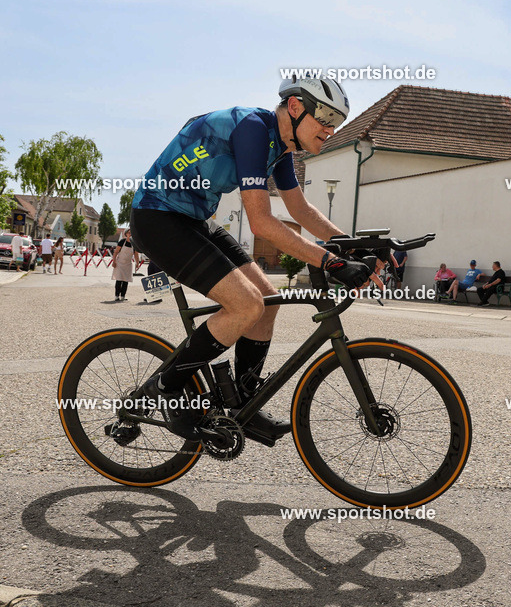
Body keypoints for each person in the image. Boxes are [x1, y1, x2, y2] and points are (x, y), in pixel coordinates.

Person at [119, 75, 375, 445]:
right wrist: (331, 262)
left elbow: (300, 208)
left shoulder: (282, 146)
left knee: (266, 301)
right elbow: (261, 222)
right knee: (245, 304)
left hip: (193, 221)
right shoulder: (253, 129)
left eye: (337, 122)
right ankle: (166, 388)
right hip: (156, 217)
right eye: (325, 117)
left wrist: (350, 246)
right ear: (296, 106)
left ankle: (243, 403)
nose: (330, 129)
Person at [111, 229, 139, 301]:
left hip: (128, 264)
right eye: (128, 233)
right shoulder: (122, 242)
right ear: (126, 234)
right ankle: (117, 296)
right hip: (119, 263)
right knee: (119, 280)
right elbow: (116, 252)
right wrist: (114, 261)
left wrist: (137, 263)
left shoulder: (134, 243)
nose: (130, 234)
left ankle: (123, 296)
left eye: (131, 233)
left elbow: (136, 254)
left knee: (126, 281)